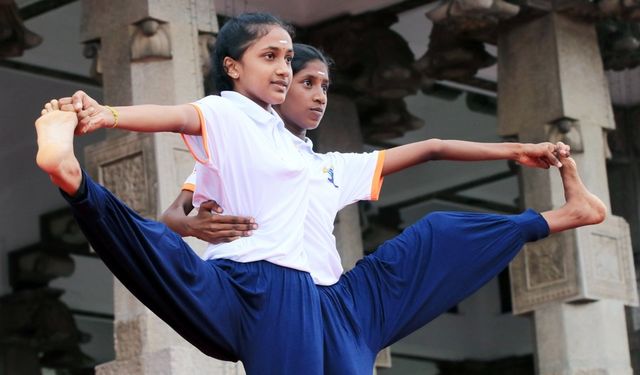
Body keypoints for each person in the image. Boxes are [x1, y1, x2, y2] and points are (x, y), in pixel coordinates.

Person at [34, 14, 605, 375]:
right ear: (240, 72)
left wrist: (516, 151)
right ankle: (73, 179)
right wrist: (106, 116)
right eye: (291, 72)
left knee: (437, 233)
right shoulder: (232, 120)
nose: (306, 88)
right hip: (258, 288)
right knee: (154, 245)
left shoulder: (323, 165)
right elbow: (174, 173)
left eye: (314, 80)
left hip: (338, 303)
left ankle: (563, 215)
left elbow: (429, 147)